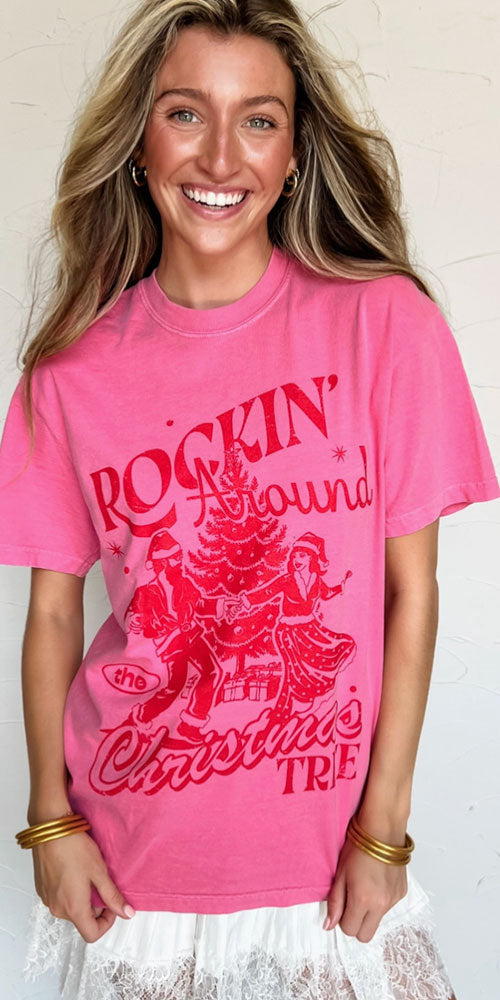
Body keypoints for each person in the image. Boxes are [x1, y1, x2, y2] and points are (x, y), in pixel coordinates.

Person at [0, 1, 498, 998]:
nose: (220, 157)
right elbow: (53, 612)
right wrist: (50, 822)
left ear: (295, 151)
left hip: (326, 867)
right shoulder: (69, 372)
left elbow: (411, 593)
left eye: (258, 120)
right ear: (139, 140)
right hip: (135, 870)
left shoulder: (383, 327)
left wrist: (384, 830)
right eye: (185, 113)